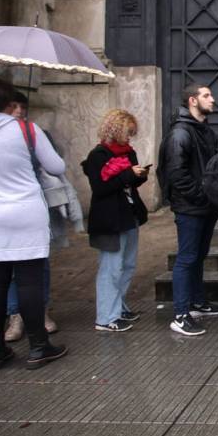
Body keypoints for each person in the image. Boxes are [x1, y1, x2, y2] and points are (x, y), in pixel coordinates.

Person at [0, 78, 66, 370]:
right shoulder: (26, 129)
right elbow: (57, 166)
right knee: (29, 282)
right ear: (9, 102)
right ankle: (38, 346)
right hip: (24, 212)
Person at [162, 84, 218, 336]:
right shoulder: (180, 133)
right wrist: (202, 196)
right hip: (190, 207)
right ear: (192, 100)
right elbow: (177, 174)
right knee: (186, 258)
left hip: (205, 206)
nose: (212, 99)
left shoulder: (204, 131)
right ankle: (180, 314)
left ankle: (197, 303)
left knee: (199, 255)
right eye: (206, 96)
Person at [82, 109, 148, 333]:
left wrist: (139, 175)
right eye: (128, 132)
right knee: (111, 268)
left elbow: (128, 183)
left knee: (127, 265)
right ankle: (105, 317)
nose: (130, 137)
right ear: (116, 130)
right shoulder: (98, 155)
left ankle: (118, 307)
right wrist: (129, 175)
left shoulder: (128, 152)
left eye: (132, 132)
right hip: (109, 220)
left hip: (129, 216)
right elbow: (100, 189)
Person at [3, 91, 58, 341]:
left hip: (32, 202)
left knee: (39, 261)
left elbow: (55, 164)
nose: (18, 111)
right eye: (12, 106)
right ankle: (15, 314)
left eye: (22, 106)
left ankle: (40, 310)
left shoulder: (33, 132)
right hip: (2, 208)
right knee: (9, 266)